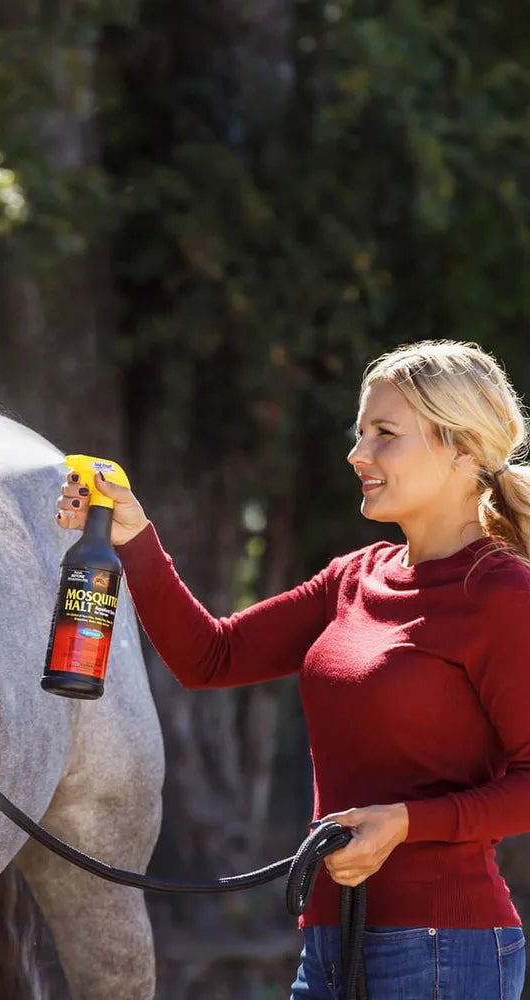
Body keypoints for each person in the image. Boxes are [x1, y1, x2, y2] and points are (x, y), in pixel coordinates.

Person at [55, 340, 530, 999]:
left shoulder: (503, 595)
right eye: (360, 433)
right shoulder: (354, 577)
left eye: (384, 434)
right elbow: (209, 657)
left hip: (441, 949)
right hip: (329, 940)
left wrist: (406, 823)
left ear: (463, 449)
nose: (357, 454)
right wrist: (134, 537)